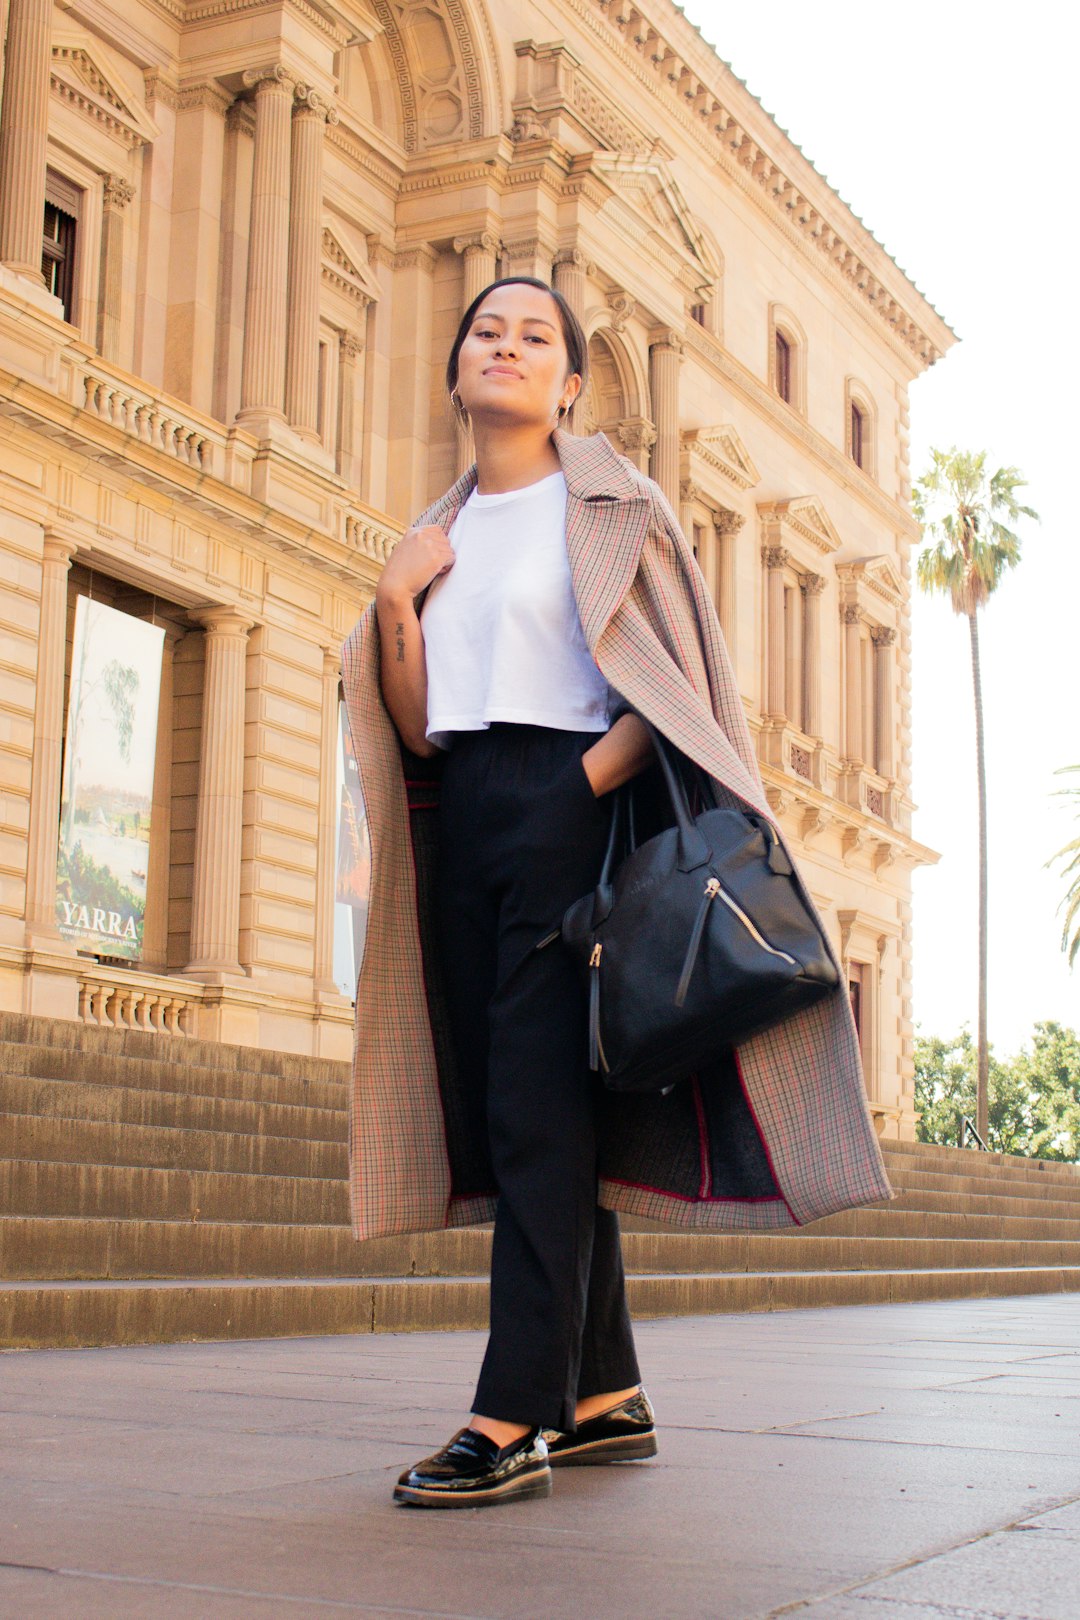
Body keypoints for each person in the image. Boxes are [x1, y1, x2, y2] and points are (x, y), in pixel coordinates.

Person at [340, 276, 892, 1510]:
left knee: (535, 1108)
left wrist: (571, 794)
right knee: (507, 1105)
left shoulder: (612, 504)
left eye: (536, 336)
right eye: (487, 330)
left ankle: (511, 1413)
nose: (508, 346)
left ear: (571, 384)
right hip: (462, 807)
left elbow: (672, 685)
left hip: (566, 801)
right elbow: (419, 728)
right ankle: (602, 1396)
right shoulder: (441, 529)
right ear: (456, 367)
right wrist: (393, 596)